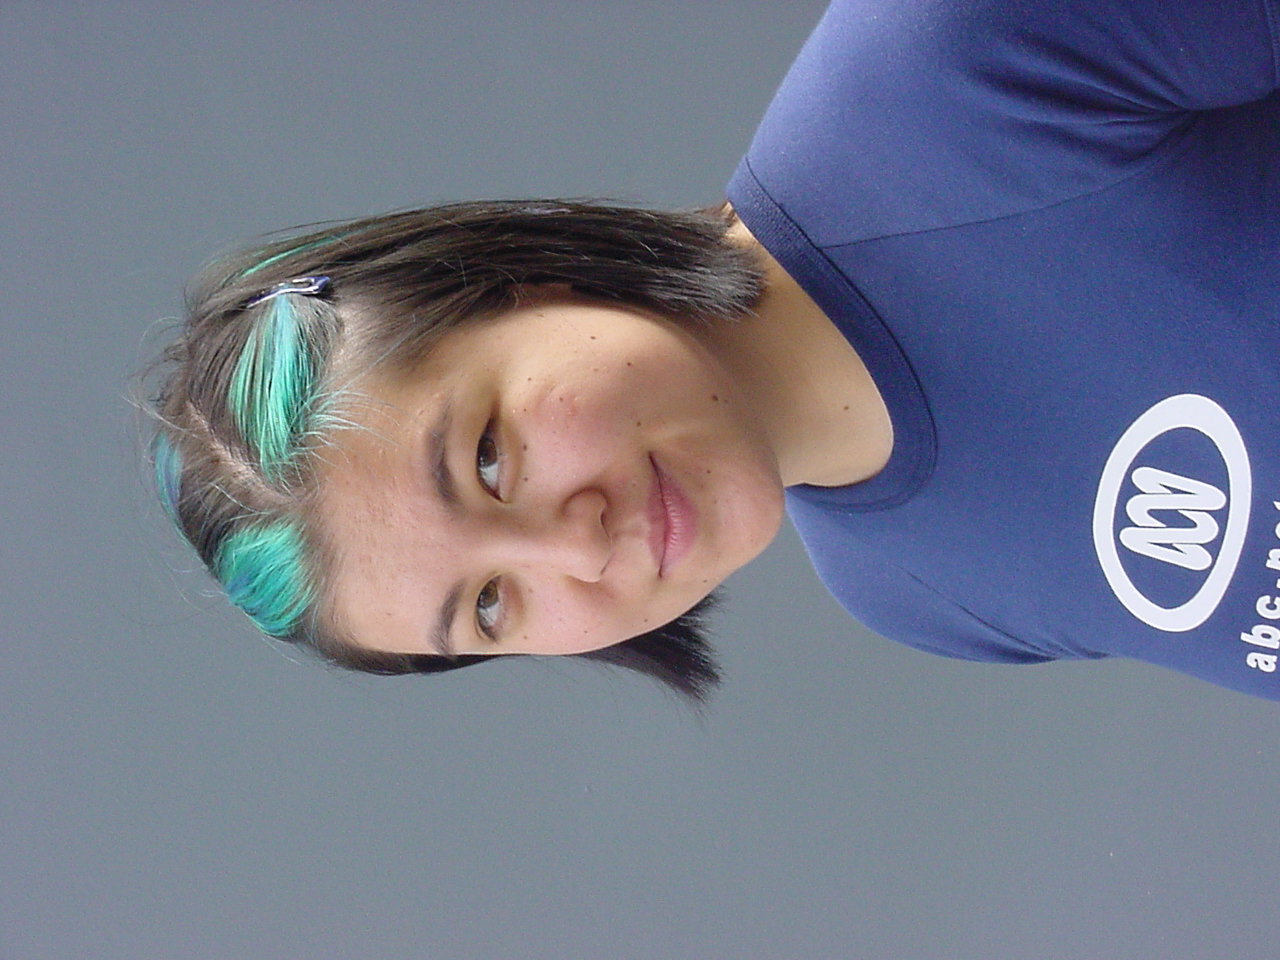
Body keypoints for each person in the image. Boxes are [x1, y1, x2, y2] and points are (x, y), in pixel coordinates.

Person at [148, 0, 1280, 703]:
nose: (573, 547)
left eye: (487, 459)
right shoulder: (919, 593)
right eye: (490, 606)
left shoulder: (950, 63)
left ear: (511, 283)